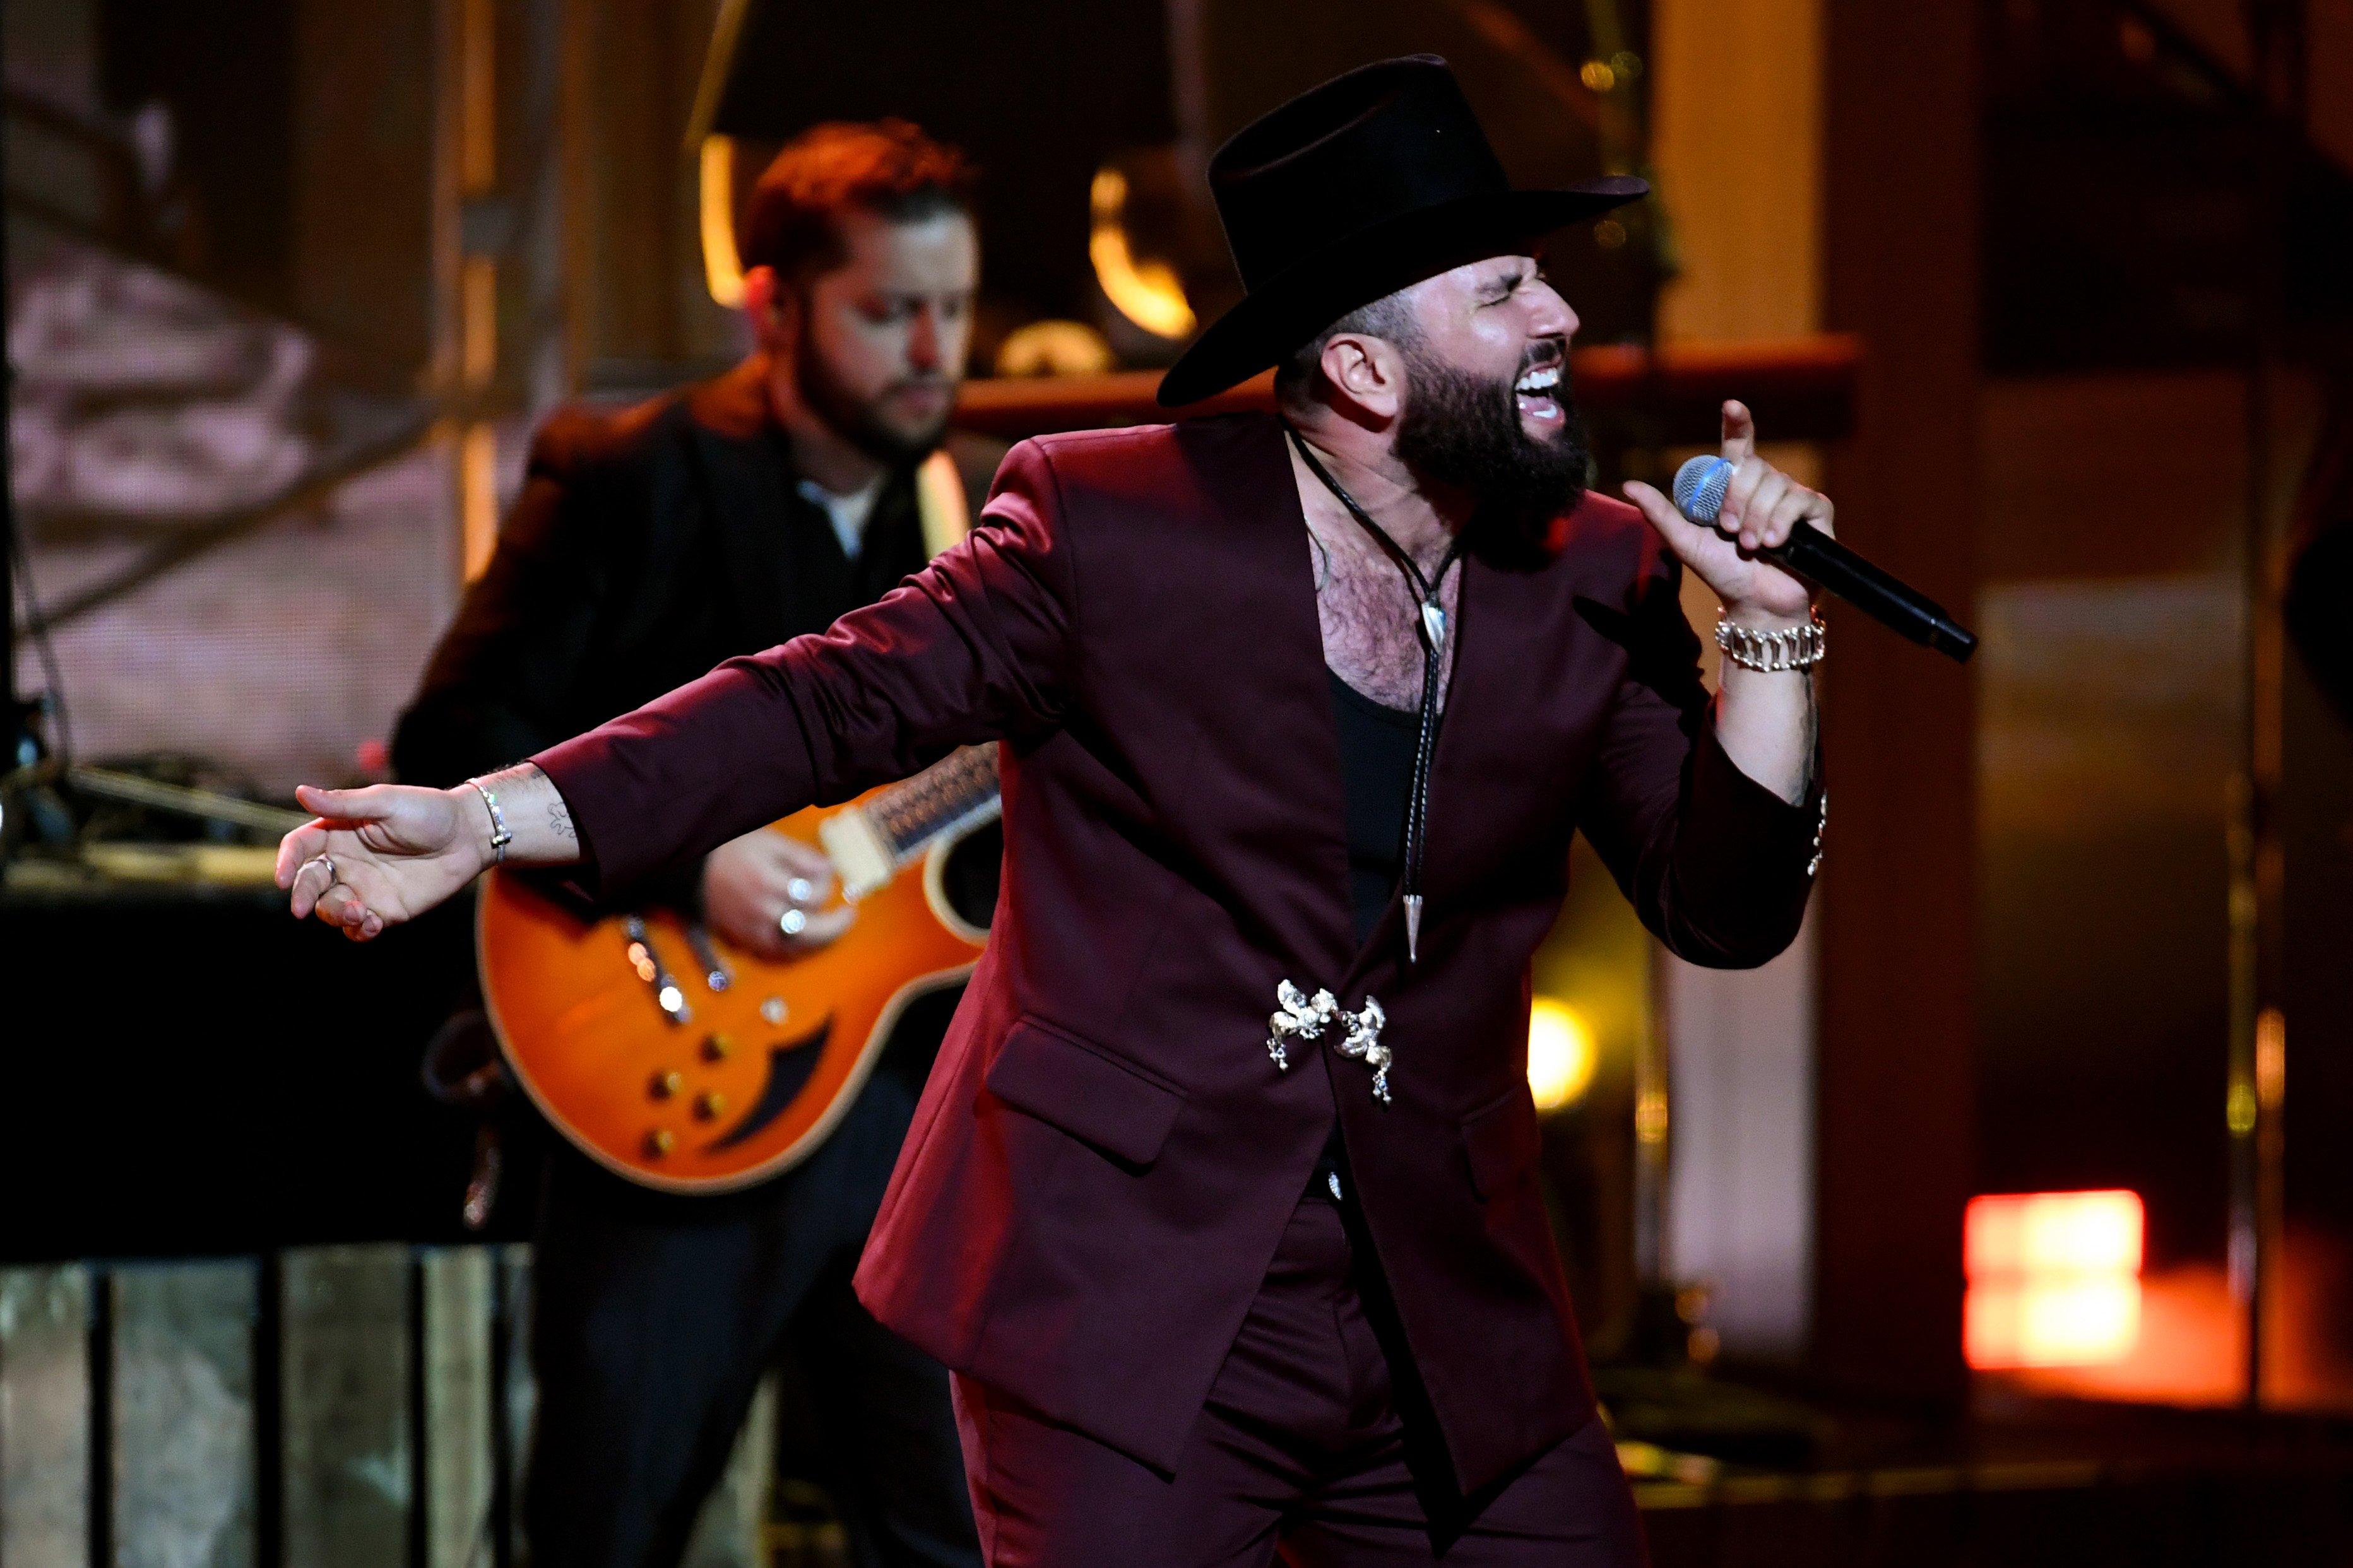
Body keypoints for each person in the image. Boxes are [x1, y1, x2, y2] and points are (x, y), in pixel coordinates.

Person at [283, 58, 1830, 1565]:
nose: (1560, 314)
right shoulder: (1117, 529)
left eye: (1541, 277)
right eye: (1501, 292)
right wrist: (487, 819)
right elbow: (827, 700)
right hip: (1131, 1298)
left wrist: (1769, 634)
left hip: (1450, 1297)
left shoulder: (1590, 569)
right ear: (1361, 368)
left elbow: (1727, 905)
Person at [389, 120, 994, 1568]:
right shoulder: (625, 474)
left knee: (956, 1534)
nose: (933, 348)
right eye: (889, 310)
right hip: (665, 1109)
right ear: (772, 305)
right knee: (606, 1530)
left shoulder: (980, 517)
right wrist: (684, 856)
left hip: (895, 1110)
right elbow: (448, 745)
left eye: (956, 309)